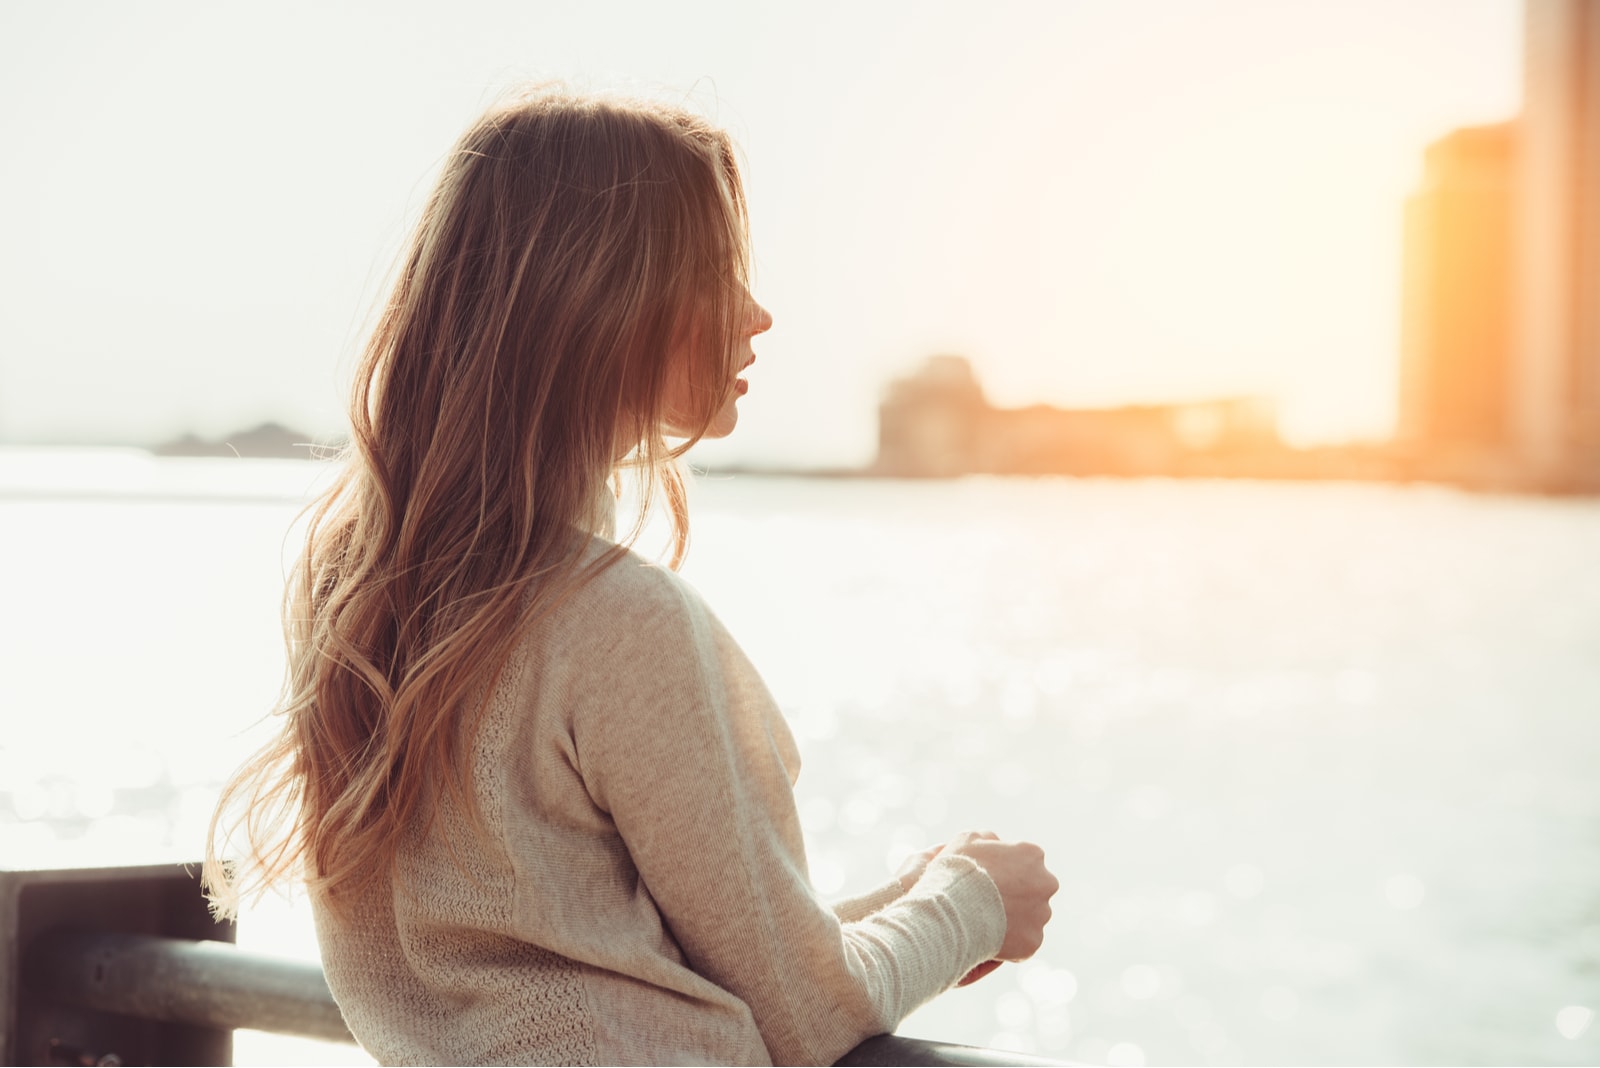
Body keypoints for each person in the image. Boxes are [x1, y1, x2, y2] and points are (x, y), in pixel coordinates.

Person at [204, 86, 1058, 1066]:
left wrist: (903, 903)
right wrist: (972, 909)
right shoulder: (617, 622)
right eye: (714, 273)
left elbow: (616, 959)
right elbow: (806, 1017)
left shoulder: (358, 595)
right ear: (601, 300)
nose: (758, 314)